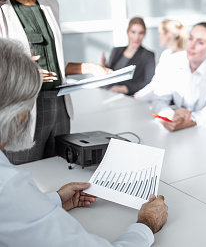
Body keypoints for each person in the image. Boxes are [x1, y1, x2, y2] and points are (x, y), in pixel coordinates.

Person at [0, 38, 168, 246]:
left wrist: (54, 200)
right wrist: (147, 223)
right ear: (19, 114)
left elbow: (11, 217)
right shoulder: (8, 186)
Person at [0, 0, 110, 165]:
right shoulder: (1, 8)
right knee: (23, 174)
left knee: (59, 169)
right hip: (22, 107)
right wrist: (26, 73)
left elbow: (55, 63)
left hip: (59, 103)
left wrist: (87, 67)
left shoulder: (49, 4)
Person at [146, 22, 206, 132]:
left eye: (200, 42)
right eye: (190, 39)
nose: (192, 46)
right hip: (178, 128)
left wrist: (189, 120)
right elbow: (159, 99)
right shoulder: (172, 61)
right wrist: (170, 116)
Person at [134, 19, 188, 100]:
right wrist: (138, 95)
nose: (159, 37)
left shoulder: (182, 58)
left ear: (168, 36)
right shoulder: (166, 54)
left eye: (160, 33)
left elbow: (159, 86)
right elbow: (156, 82)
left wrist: (139, 97)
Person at [103, 17, 155, 95]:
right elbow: (109, 74)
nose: (136, 37)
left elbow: (149, 82)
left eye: (140, 33)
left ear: (144, 34)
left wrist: (125, 89)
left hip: (127, 96)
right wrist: (103, 66)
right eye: (133, 32)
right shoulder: (116, 51)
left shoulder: (148, 55)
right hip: (107, 91)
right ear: (127, 32)